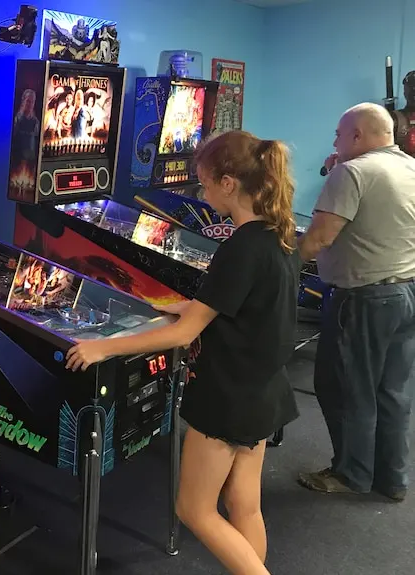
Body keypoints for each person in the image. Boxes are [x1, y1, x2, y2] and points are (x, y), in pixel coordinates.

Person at [66, 130, 300, 575]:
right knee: (243, 506)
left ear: (229, 183)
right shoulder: (277, 235)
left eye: (205, 183)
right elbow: (239, 304)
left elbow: (181, 336)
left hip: (228, 398)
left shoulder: (240, 247)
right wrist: (181, 305)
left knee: (195, 510)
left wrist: (102, 347)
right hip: (264, 391)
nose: (202, 193)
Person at [297, 102, 415, 501]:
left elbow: (318, 239)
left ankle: (350, 474)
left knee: (345, 387)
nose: (333, 140)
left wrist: (275, 267)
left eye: (338, 133)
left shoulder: (354, 171)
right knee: (392, 391)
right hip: (406, 292)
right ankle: (392, 478)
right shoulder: (408, 166)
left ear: (358, 136)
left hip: (365, 298)